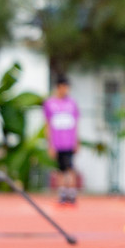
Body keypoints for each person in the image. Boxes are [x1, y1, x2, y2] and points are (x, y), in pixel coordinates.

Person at [43, 76, 82, 207]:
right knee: (60, 170)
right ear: (58, 87)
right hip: (57, 143)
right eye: (64, 87)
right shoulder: (50, 104)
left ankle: (71, 194)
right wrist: (50, 144)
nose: (66, 90)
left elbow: (76, 124)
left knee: (70, 168)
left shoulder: (72, 104)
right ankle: (62, 194)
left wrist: (77, 141)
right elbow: (47, 125)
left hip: (69, 142)